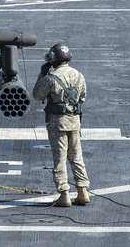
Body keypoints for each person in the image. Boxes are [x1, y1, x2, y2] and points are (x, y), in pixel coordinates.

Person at [32, 43, 90, 207]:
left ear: (53, 59)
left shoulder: (51, 78)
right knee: (77, 157)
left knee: (59, 160)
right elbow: (83, 97)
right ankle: (82, 191)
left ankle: (64, 194)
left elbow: (37, 95)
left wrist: (42, 74)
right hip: (74, 122)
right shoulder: (79, 75)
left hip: (57, 123)